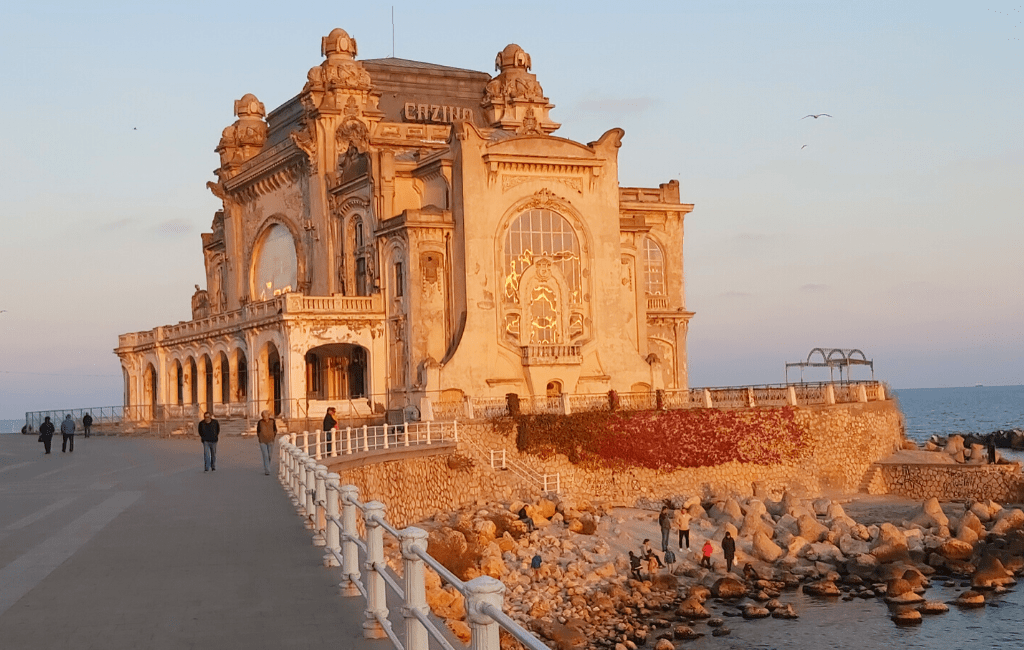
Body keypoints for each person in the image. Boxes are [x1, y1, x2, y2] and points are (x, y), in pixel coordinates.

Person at [256, 410, 277, 475]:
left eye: (265, 416)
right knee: (265, 455)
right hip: (262, 441)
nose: (264, 418)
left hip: (270, 440)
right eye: (263, 416)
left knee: (269, 455)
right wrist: (260, 437)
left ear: (268, 416)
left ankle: (267, 466)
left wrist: (273, 436)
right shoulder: (260, 422)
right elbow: (258, 431)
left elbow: (275, 430)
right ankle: (267, 470)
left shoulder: (272, 421)